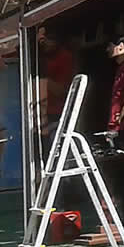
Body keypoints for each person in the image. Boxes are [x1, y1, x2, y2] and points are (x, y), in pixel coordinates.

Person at [37, 27, 75, 155]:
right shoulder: (40, 56)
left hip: (55, 114)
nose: (45, 42)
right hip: (39, 113)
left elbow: (61, 90)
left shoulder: (64, 57)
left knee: (53, 152)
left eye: (49, 39)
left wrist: (40, 76)